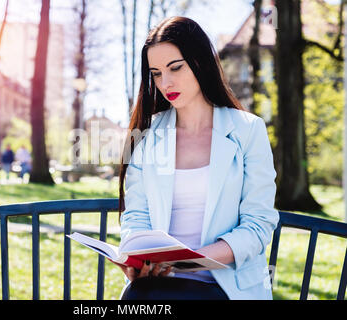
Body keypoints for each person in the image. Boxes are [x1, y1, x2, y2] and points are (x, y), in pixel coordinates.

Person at [115, 17, 279, 300]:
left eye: (175, 68)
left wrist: (188, 262)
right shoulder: (146, 134)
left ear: (201, 62)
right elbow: (136, 216)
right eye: (156, 73)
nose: (165, 83)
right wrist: (135, 258)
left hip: (225, 287)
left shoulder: (248, 130)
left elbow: (258, 224)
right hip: (156, 285)